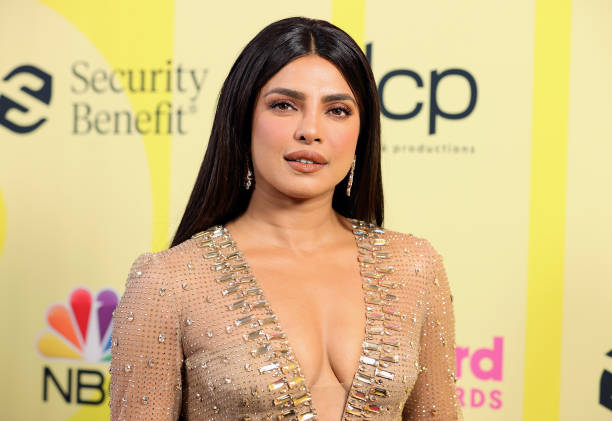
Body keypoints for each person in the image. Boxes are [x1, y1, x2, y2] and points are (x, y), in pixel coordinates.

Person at [110, 17, 462, 421]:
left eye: (338, 110)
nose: (310, 130)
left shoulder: (414, 266)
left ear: (362, 133)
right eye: (284, 105)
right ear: (242, 121)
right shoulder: (167, 281)